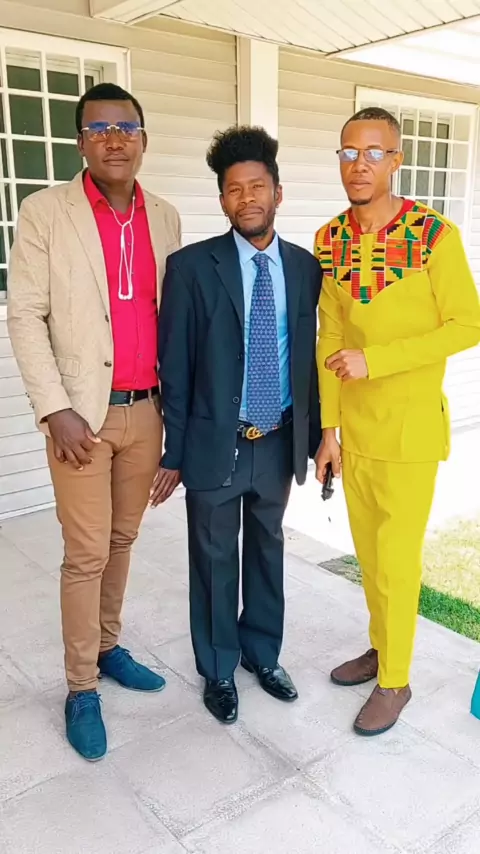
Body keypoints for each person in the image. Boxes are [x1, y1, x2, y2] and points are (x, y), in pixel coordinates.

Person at [7, 83, 181, 761]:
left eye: (126, 127)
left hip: (148, 411)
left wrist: (177, 422)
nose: (114, 139)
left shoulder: (163, 216)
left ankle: (109, 648)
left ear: (143, 139)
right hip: (81, 416)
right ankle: (81, 686)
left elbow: (175, 320)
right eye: (100, 128)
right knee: (86, 553)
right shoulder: (46, 212)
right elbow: (25, 313)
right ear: (81, 142)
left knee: (122, 537)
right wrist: (55, 408)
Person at [314, 107, 480, 736]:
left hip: (409, 433)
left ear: (396, 161)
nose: (359, 164)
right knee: (368, 557)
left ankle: (396, 680)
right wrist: (328, 430)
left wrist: (376, 360)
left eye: (374, 152)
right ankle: (382, 647)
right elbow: (330, 337)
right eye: (348, 152)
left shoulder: (434, 235)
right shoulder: (329, 239)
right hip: (355, 434)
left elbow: (468, 323)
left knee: (398, 562)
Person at [153, 126, 322, 724]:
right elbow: (174, 367)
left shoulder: (305, 268)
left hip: (277, 439)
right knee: (214, 558)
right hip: (215, 442)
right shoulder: (191, 268)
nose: (246, 198)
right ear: (222, 200)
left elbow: (306, 361)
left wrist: (317, 438)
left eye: (257, 186)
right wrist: (175, 451)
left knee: (268, 550)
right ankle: (219, 668)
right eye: (234, 189)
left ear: (278, 192)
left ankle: (262, 654)